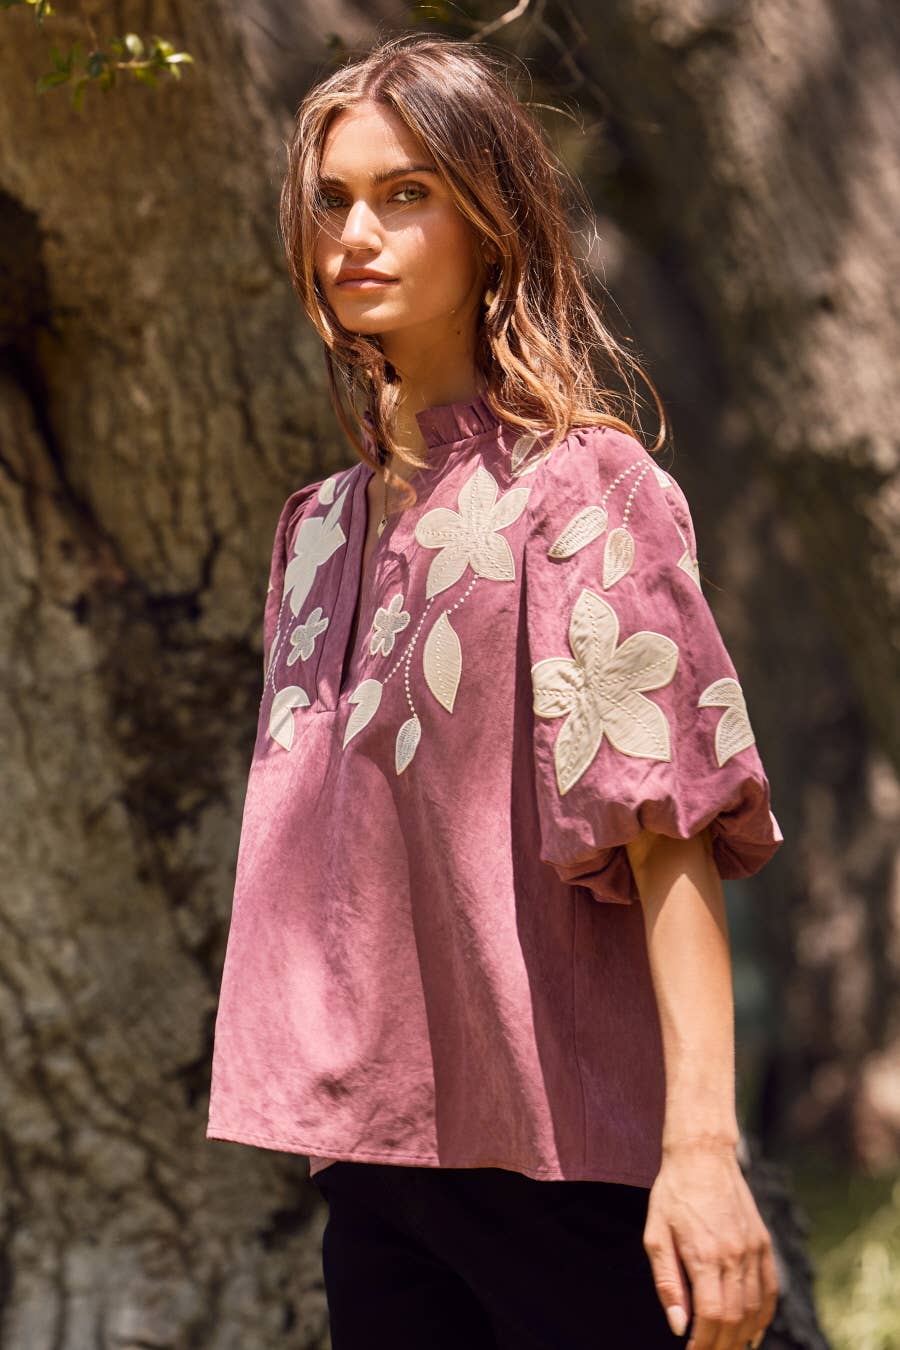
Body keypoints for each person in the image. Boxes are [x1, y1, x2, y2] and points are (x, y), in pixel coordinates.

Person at [206, 31, 783, 1350]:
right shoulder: (316, 532)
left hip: (569, 1165)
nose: (357, 231)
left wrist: (702, 1151)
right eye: (333, 199)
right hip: (374, 1173)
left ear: (491, 221)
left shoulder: (584, 489)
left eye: (405, 193)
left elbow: (670, 832)